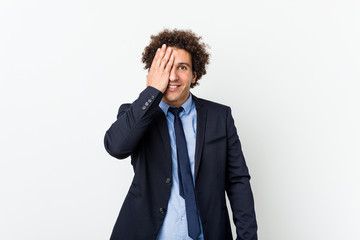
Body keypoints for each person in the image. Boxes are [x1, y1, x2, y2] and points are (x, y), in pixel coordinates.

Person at [104, 29, 258, 240]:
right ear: (154, 72)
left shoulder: (219, 117)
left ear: (194, 74)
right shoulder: (136, 113)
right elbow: (116, 147)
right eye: (166, 68)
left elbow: (238, 180)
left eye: (182, 67)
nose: (173, 76)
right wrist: (152, 91)